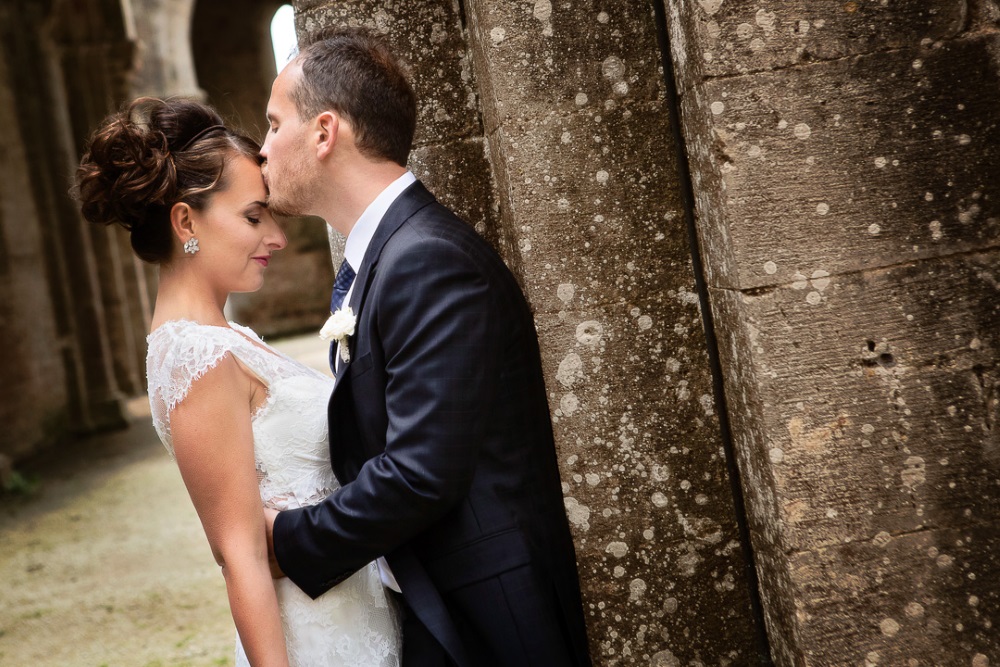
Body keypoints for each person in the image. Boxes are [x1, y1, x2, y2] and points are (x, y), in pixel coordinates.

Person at [261, 27, 593, 667]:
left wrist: (290, 539)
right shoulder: (386, 258)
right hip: (436, 599)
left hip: (490, 618)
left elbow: (421, 470)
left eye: (276, 125)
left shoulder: (428, 260)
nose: (263, 148)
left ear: (325, 133)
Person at [75, 97, 401, 667]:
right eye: (254, 217)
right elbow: (240, 553)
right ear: (185, 222)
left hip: (354, 607)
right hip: (314, 635)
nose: (275, 237)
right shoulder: (195, 356)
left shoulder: (228, 336)